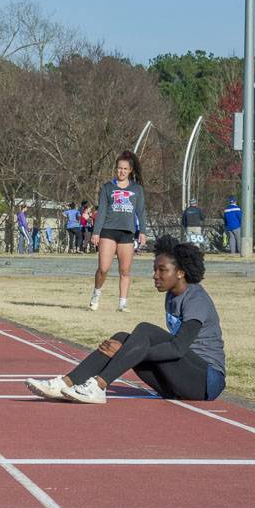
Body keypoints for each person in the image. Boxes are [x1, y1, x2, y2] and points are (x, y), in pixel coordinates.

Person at [26, 236, 225, 403]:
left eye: (162, 270)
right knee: (123, 338)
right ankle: (66, 383)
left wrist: (127, 354)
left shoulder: (195, 299)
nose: (155, 275)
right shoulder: (172, 295)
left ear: (181, 272)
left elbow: (178, 348)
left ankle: (99, 386)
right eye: (154, 269)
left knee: (144, 331)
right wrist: (128, 351)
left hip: (206, 381)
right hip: (179, 381)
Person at [89, 150, 148, 312]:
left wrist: (143, 231)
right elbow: (101, 211)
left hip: (127, 233)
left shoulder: (137, 189)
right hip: (108, 231)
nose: (121, 171)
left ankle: (122, 303)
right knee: (104, 268)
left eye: (125, 169)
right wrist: (96, 232)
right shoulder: (108, 187)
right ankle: (96, 294)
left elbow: (141, 211)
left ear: (130, 171)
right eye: (119, 168)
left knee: (125, 270)